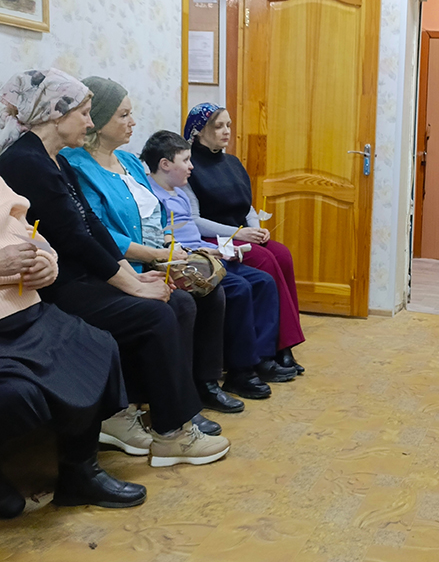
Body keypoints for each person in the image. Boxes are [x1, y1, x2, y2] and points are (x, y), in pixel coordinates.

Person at [0, 68, 229, 467]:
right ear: (56, 114)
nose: (90, 123)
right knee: (154, 313)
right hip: (58, 285)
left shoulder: (53, 160)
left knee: (174, 302)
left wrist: (131, 274)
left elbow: (91, 225)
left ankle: (147, 414)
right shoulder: (25, 162)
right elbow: (74, 238)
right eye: (84, 114)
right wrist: (133, 285)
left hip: (78, 274)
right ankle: (170, 434)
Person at [64, 77, 286, 399]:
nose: (133, 122)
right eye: (123, 115)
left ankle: (209, 381)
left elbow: (159, 213)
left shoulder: (129, 162)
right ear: (97, 120)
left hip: (160, 254)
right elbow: (98, 230)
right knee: (188, 299)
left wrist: (170, 244)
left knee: (215, 287)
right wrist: (156, 255)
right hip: (124, 265)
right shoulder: (77, 166)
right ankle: (180, 393)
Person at [0, 177, 145, 518]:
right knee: (17, 393)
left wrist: (45, 263)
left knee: (94, 346)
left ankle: (80, 471)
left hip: (26, 310)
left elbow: (26, 230)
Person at [142, 130, 288, 398]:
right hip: (186, 261)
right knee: (239, 288)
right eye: (185, 160)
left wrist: (221, 249)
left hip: (204, 255)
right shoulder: (151, 196)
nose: (191, 166)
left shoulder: (179, 193)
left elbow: (194, 234)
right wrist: (201, 251)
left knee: (263, 281)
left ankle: (262, 358)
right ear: (165, 164)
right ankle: (239, 371)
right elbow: (166, 241)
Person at [183, 103, 305, 373]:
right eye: (218, 126)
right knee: (264, 260)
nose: (226, 131)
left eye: (228, 125)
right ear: (199, 131)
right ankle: (267, 350)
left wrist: (256, 229)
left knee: (282, 254)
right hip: (214, 239)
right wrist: (239, 233)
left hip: (241, 234)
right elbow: (195, 220)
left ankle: (285, 342)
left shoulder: (233, 163)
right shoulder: (189, 166)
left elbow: (246, 206)